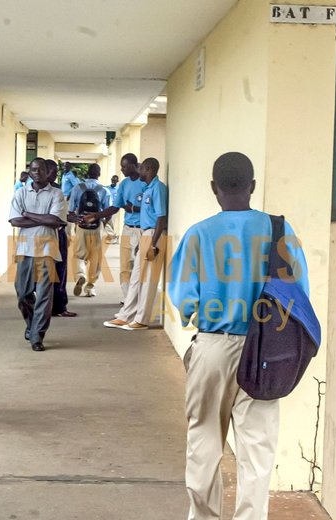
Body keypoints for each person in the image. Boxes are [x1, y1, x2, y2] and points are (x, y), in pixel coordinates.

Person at [168, 152, 309, 520]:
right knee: (257, 454)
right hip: (265, 351)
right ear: (253, 187)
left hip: (213, 348)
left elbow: (183, 300)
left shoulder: (199, 234)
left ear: (214, 188)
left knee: (203, 443)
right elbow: (299, 294)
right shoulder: (280, 230)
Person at [9, 158, 67, 351]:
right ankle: (32, 325)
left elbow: (55, 220)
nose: (36, 173)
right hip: (25, 250)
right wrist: (42, 220)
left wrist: (28, 215)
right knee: (23, 294)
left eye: (40, 170)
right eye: (33, 169)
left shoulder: (56, 194)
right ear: (30, 171)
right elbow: (15, 221)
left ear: (47, 172)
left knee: (44, 295)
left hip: (47, 251)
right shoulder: (21, 193)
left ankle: (37, 336)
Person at [103, 158, 167, 330]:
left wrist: (153, 245)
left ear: (149, 169)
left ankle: (142, 320)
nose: (139, 171)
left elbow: (161, 217)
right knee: (137, 278)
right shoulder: (148, 188)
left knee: (148, 280)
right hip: (146, 234)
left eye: (142, 168)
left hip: (154, 234)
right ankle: (126, 315)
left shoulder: (158, 188)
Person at [83, 153, 146, 298]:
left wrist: (132, 208)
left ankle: (138, 299)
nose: (121, 169)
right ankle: (128, 299)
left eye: (124, 166)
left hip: (143, 229)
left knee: (139, 267)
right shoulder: (124, 184)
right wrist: (95, 216)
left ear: (133, 165)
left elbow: (150, 207)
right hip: (127, 228)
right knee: (125, 267)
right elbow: (116, 207)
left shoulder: (144, 183)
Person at [68, 163, 111, 297]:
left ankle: (81, 275)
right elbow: (108, 211)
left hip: (81, 226)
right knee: (96, 257)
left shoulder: (77, 188)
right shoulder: (104, 190)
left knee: (79, 255)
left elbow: (70, 211)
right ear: (99, 174)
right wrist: (104, 223)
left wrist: (77, 220)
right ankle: (90, 287)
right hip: (97, 227)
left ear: (87, 174)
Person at [45, 160, 76, 318]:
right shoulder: (30, 190)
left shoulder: (57, 189)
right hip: (42, 236)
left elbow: (61, 214)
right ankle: (44, 307)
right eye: (52, 171)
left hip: (59, 233)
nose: (55, 174)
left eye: (56, 171)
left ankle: (60, 306)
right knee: (43, 273)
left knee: (61, 270)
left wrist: (74, 218)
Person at [103, 174, 120, 243]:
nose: (113, 181)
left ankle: (112, 237)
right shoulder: (107, 188)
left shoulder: (119, 189)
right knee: (105, 222)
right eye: (112, 180)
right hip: (107, 208)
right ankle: (113, 236)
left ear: (117, 181)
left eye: (115, 180)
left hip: (114, 208)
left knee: (111, 222)